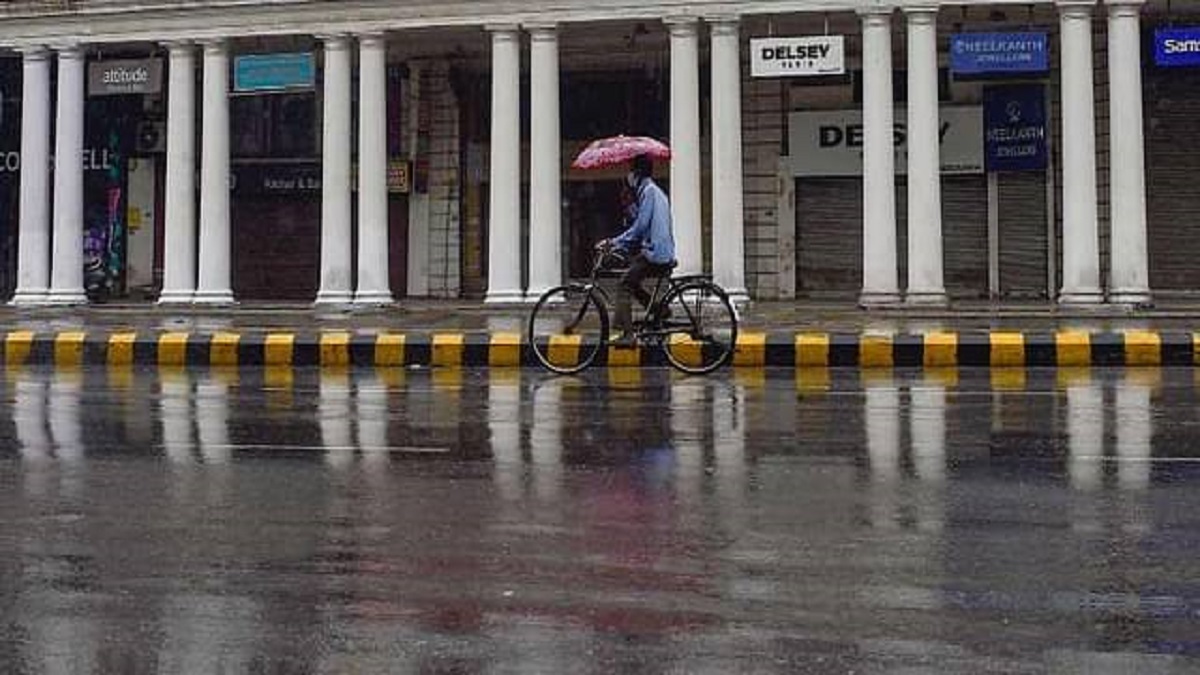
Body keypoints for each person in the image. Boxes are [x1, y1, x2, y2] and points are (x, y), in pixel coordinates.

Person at [598, 154, 676, 348]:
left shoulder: (649, 191)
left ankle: (627, 334)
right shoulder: (652, 192)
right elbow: (641, 222)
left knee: (624, 284)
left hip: (655, 253)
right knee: (632, 279)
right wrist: (629, 205)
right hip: (659, 251)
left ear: (638, 173)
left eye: (631, 171)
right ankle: (659, 310)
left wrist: (613, 242)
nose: (629, 175)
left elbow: (640, 228)